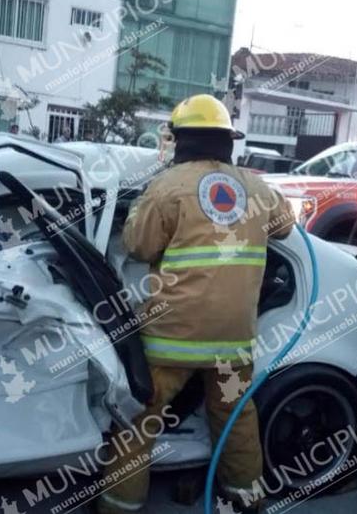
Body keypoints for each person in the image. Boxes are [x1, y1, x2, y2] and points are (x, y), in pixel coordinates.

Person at [96, 94, 294, 514]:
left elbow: (138, 244)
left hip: (174, 337)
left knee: (140, 420)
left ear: (181, 139)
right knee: (236, 415)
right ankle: (246, 498)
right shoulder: (254, 186)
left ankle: (118, 506)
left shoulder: (167, 186)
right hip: (233, 338)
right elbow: (285, 227)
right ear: (227, 140)